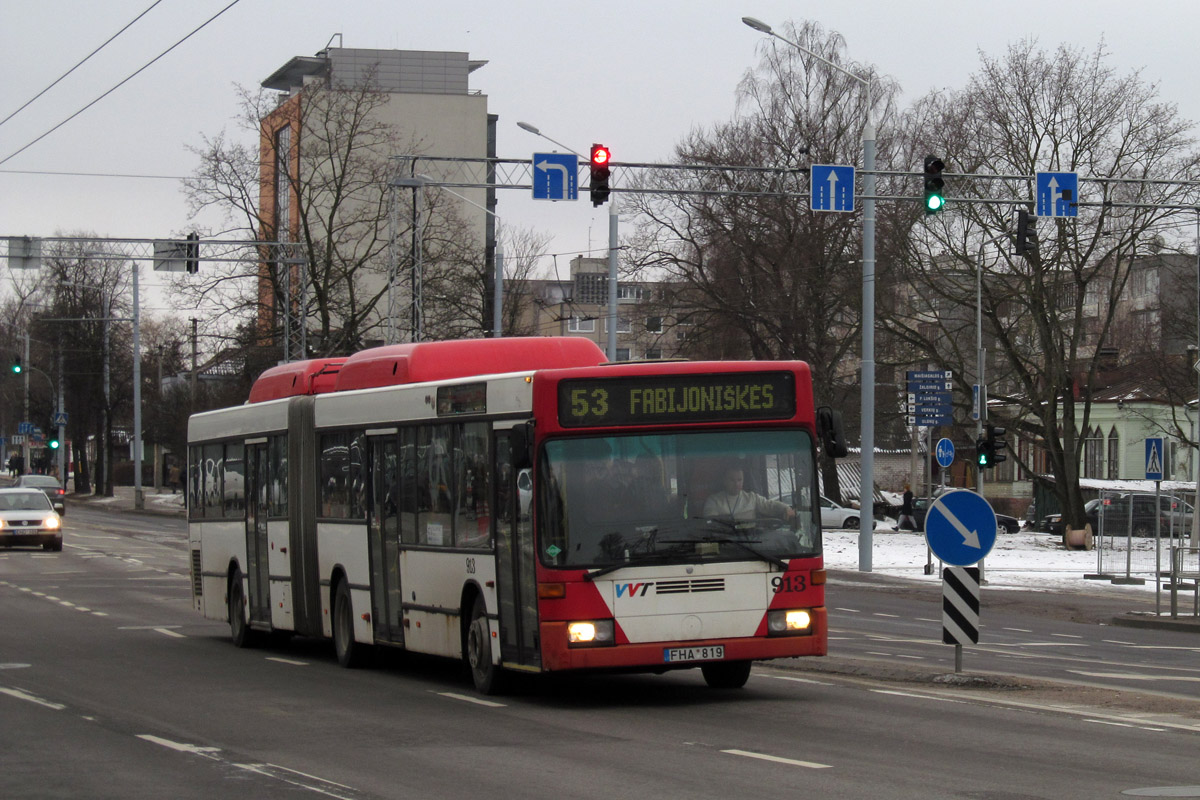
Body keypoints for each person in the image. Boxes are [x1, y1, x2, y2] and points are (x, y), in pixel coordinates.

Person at [702, 466, 795, 524]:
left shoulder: (751, 498)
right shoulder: (713, 501)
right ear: (724, 481)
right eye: (732, 480)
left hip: (751, 542)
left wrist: (786, 508)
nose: (736, 484)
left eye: (739, 480)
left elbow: (769, 505)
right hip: (726, 541)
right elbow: (710, 523)